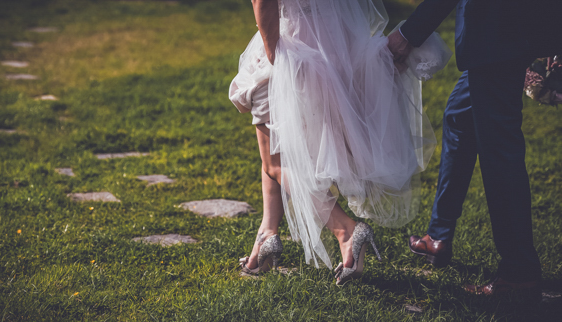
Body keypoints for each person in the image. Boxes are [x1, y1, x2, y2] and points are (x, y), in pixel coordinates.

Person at [230, 0, 447, 285]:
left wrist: (274, 56)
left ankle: (346, 230)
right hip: (336, 39)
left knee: (276, 163)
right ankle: (266, 236)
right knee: (279, 145)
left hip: (293, 42)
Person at [388, 0, 562, 296]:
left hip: (497, 34)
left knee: (500, 153)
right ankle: (439, 235)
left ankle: (519, 270)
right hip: (506, 33)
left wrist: (410, 32)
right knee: (458, 118)